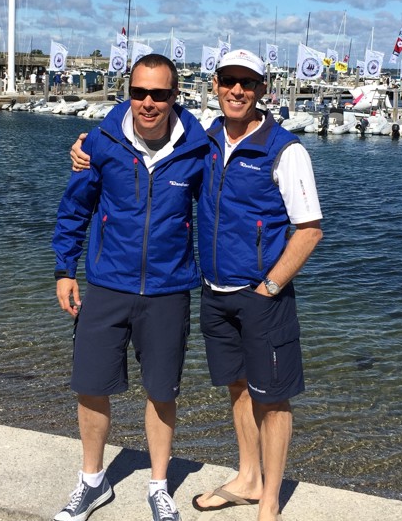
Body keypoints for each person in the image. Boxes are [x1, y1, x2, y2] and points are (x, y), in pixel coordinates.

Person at [71, 49, 323, 521]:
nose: (237, 90)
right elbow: (142, 140)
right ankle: (249, 477)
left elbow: (309, 229)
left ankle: (269, 501)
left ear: (263, 90)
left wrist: (270, 285)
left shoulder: (285, 149)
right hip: (212, 289)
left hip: (261, 293)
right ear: (214, 85)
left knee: (274, 395)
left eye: (248, 83)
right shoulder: (203, 142)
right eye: (229, 80)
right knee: (239, 387)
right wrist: (86, 147)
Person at [52, 53, 210, 521]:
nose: (148, 102)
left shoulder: (198, 149)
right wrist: (65, 270)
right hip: (106, 285)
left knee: (162, 392)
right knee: (91, 386)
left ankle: (159, 486)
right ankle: (92, 482)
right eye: (139, 92)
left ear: (174, 97)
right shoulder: (101, 144)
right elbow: (74, 209)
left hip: (168, 289)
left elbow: (227, 210)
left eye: (159, 94)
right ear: (129, 93)